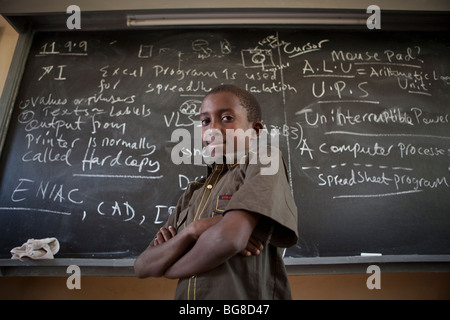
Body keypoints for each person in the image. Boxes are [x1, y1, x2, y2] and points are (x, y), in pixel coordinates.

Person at [134, 84, 298, 299]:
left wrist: (171, 268)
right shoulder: (194, 192)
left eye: (227, 118)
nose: (213, 129)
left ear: (255, 130)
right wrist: (192, 231)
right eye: (205, 121)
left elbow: (230, 240)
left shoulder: (265, 161)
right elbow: (144, 266)